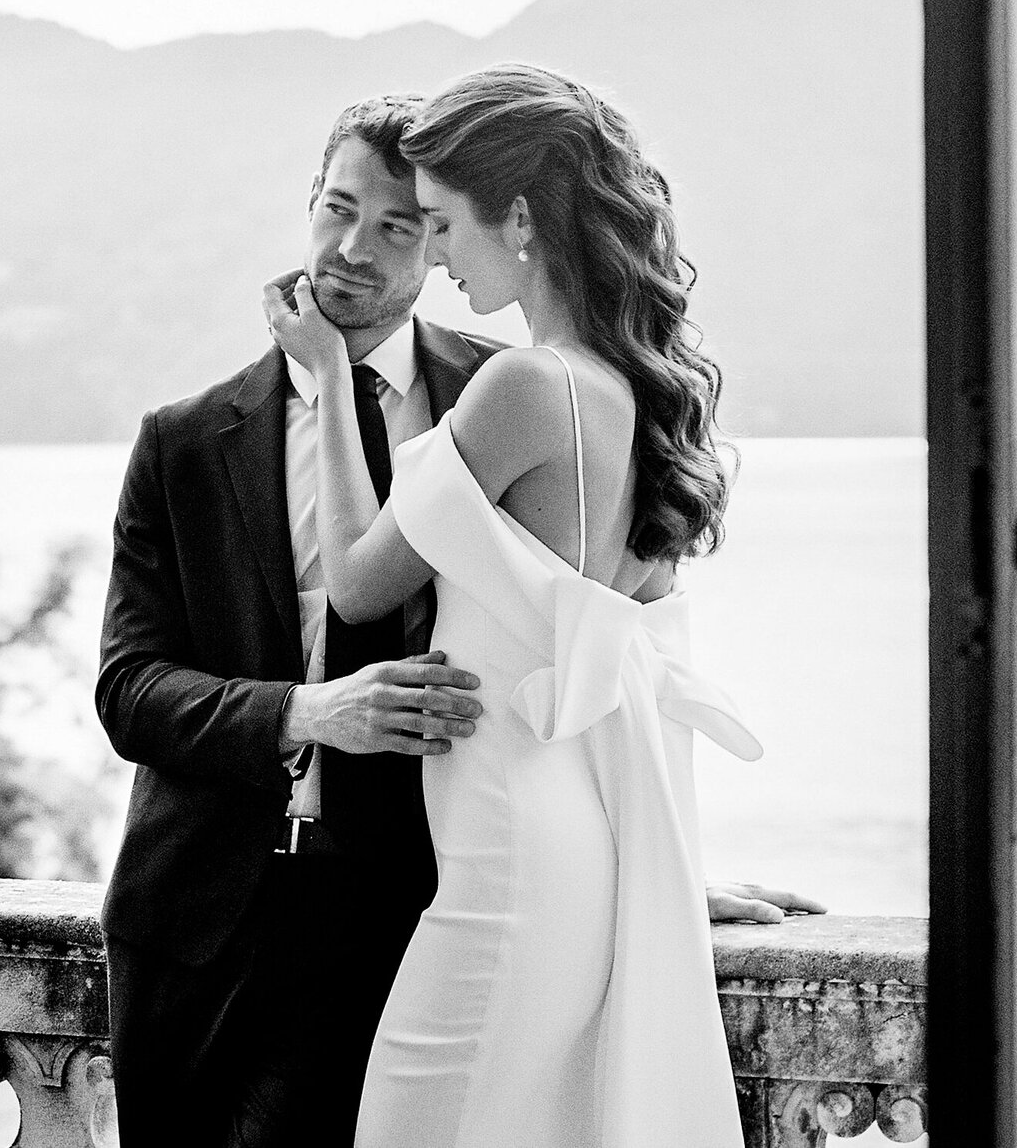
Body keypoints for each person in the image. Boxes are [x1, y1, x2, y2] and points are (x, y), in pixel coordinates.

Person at [264, 62, 822, 1148]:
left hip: (506, 855)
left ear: (515, 216)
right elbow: (637, 680)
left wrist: (329, 377)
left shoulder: (523, 386)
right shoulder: (625, 385)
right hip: (574, 842)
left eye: (438, 223)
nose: (432, 254)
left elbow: (362, 575)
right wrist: (663, 866)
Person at [96, 95, 499, 1148]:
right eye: (337, 208)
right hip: (190, 927)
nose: (353, 249)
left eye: (397, 226)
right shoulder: (183, 441)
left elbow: (549, 652)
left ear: (442, 241)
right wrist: (311, 711)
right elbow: (129, 689)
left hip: (396, 918)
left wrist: (634, 849)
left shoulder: (500, 402)